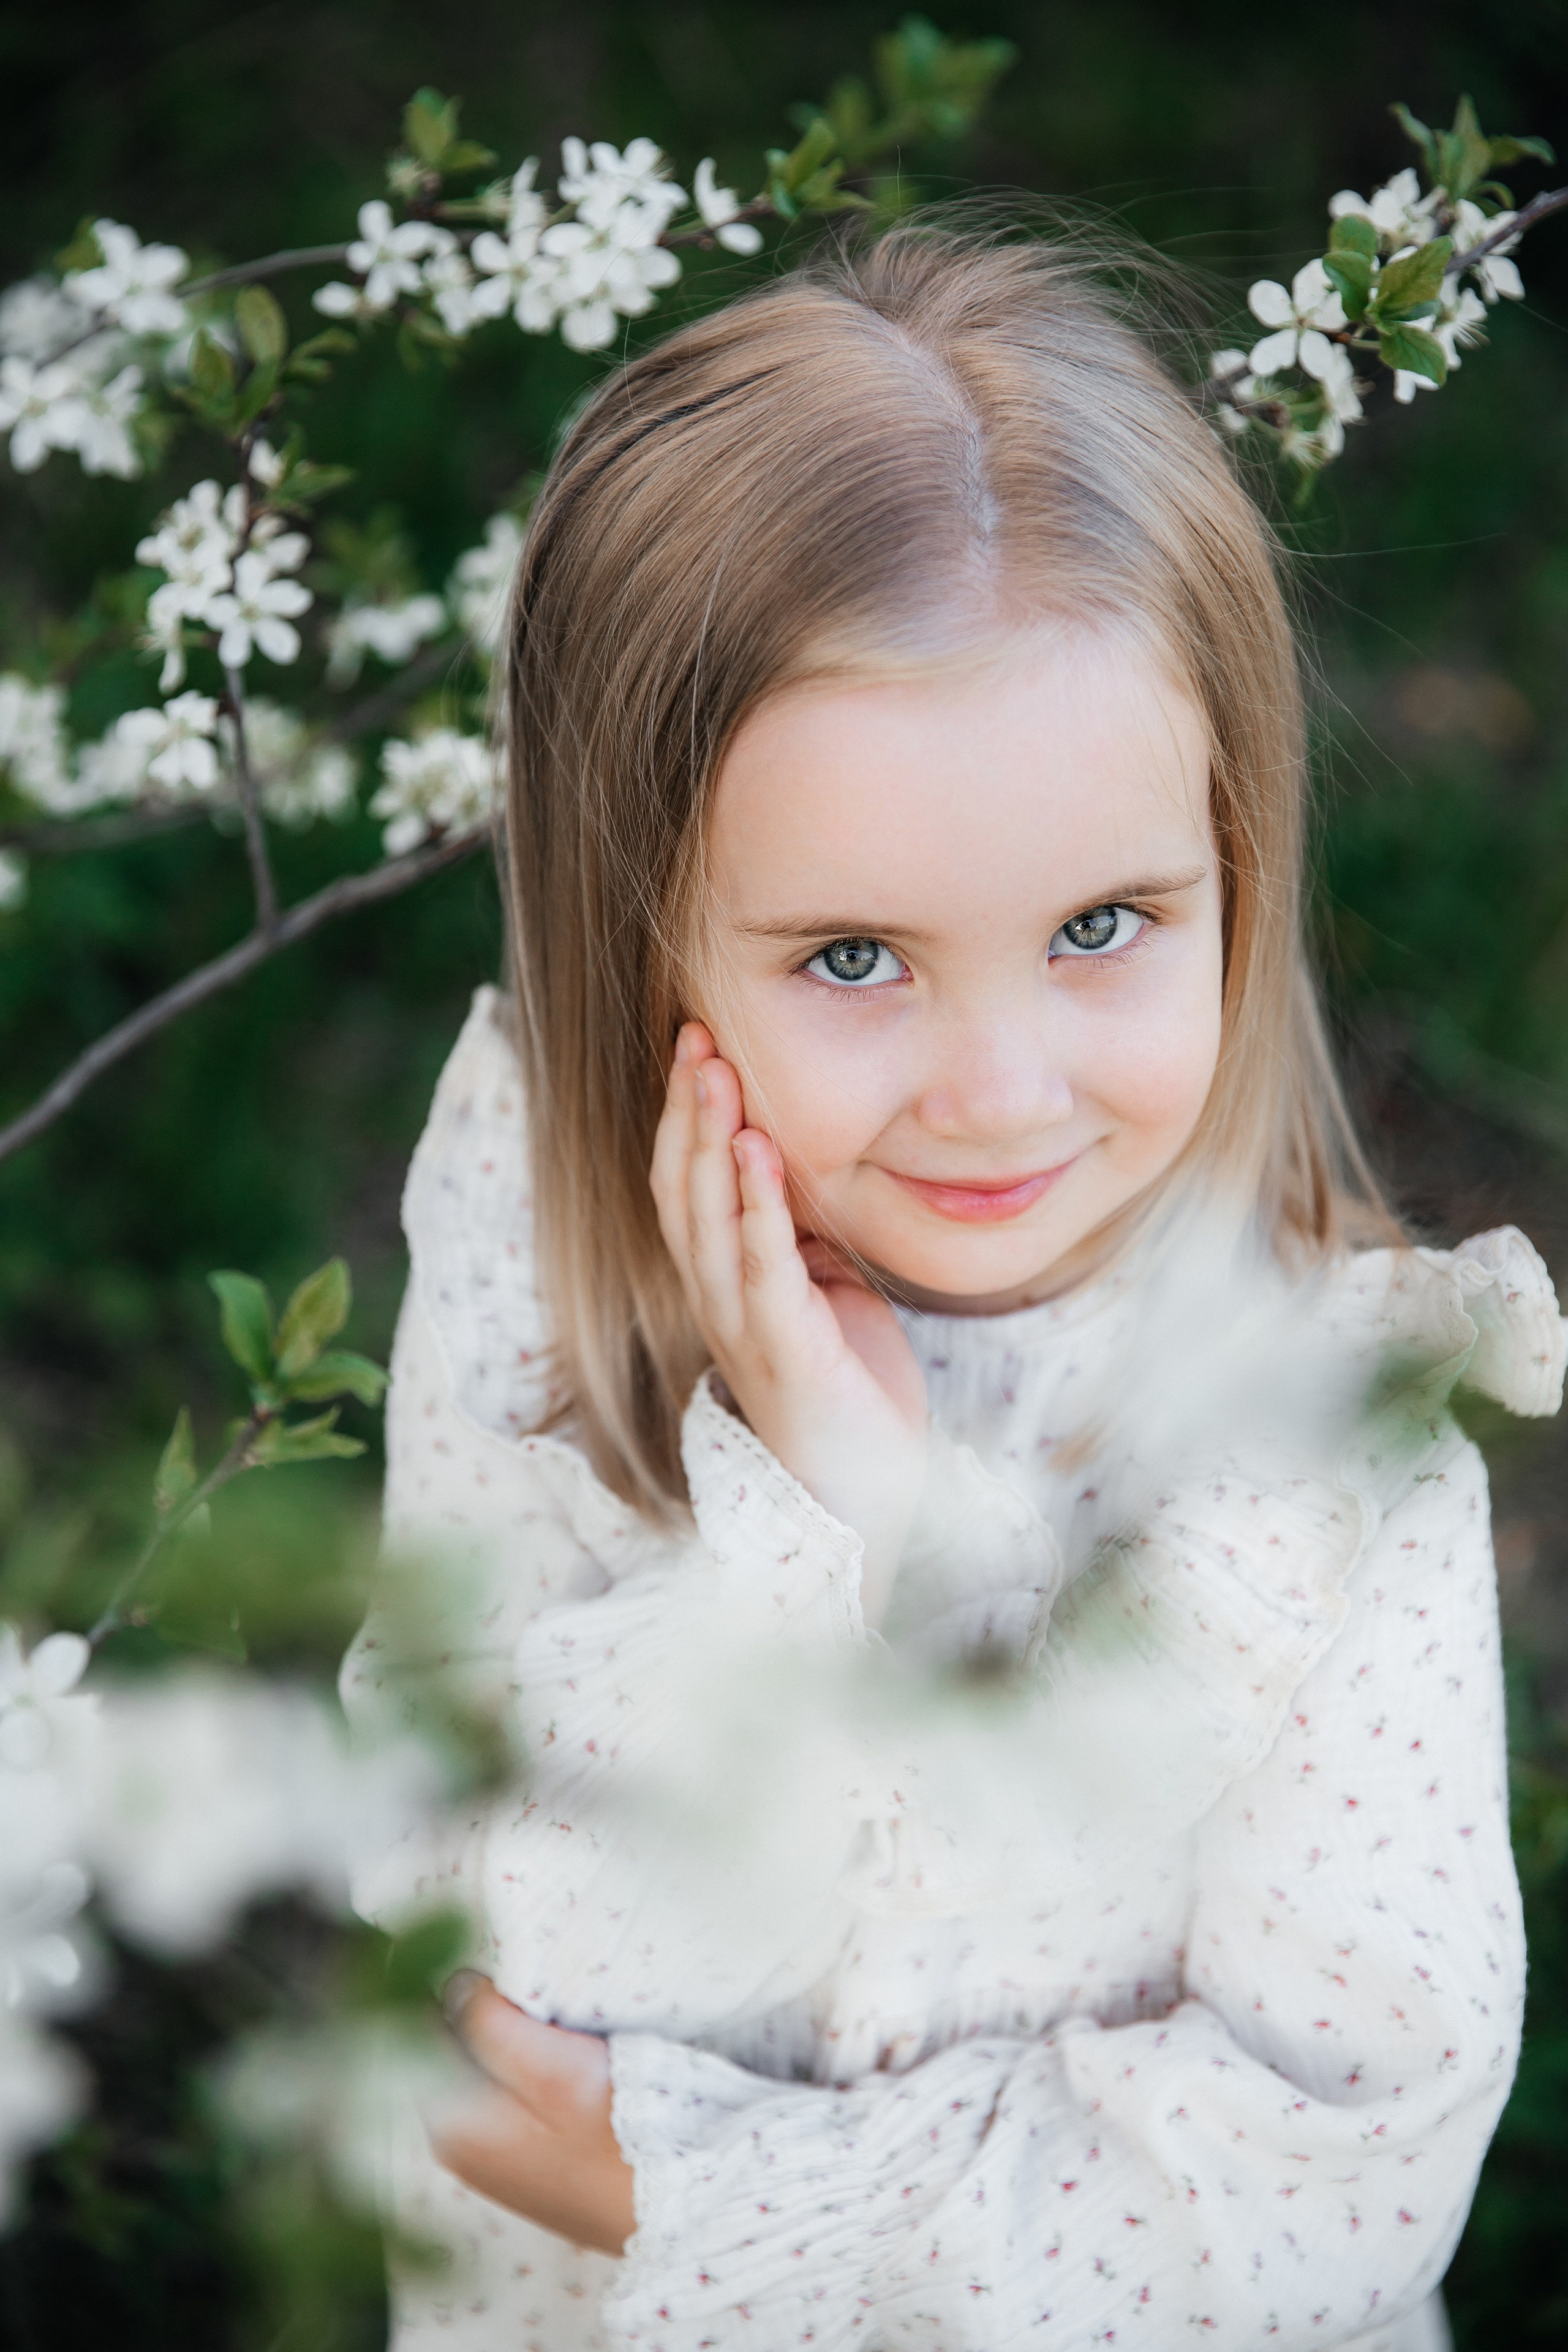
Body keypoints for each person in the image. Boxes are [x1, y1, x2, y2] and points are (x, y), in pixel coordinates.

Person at [341, 224, 1566, 2351]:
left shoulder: (1331, 1448)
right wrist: (810, 1535)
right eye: (853, 958)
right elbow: (467, 1951)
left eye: (1103, 928)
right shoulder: (551, 1271)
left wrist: (677, 2193)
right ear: (642, 939)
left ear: (1236, 866)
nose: (1001, 1095)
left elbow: (1326, 2183)